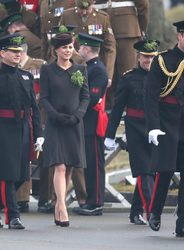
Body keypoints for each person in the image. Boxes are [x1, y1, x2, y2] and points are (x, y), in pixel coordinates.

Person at [145, 19, 184, 237]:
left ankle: (183, 223)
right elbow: (151, 97)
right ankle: (154, 212)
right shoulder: (163, 60)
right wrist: (153, 127)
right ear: (179, 36)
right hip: (167, 123)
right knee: (165, 170)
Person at [104, 39, 159, 224]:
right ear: (138, 57)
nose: (148, 61)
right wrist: (110, 135)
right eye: (145, 57)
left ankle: (135, 212)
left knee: (151, 172)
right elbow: (117, 108)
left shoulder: (162, 77)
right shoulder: (128, 79)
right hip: (135, 129)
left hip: (156, 129)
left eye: (152, 57)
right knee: (144, 171)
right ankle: (152, 213)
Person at [40, 31, 89, 227]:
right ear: (56, 50)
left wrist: (78, 115)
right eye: (64, 47)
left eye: (70, 47)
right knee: (59, 166)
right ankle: (61, 206)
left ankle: (58, 206)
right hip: (56, 124)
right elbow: (44, 97)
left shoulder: (80, 69)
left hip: (74, 123)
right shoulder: (47, 70)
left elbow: (86, 96)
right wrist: (55, 116)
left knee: (69, 166)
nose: (68, 51)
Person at [0, 33, 43, 229]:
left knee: (21, 175)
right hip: (3, 128)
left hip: (24, 128)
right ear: (2, 53)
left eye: (19, 51)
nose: (18, 54)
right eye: (13, 51)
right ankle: (13, 216)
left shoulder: (25, 76)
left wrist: (40, 134)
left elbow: (34, 108)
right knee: (8, 174)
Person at [72, 33, 108, 215]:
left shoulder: (98, 70)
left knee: (95, 164)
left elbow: (93, 97)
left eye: (80, 48)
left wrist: (76, 106)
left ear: (87, 49)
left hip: (93, 123)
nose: (78, 50)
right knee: (89, 163)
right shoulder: (90, 68)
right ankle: (91, 200)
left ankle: (96, 202)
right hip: (87, 123)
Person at [94, 0, 149, 108]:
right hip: (112, 26)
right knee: (108, 70)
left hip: (123, 27)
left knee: (126, 71)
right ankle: (111, 107)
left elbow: (143, 5)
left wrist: (141, 28)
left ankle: (129, 106)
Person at [16, 41, 46, 213]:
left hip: (38, 115)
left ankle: (40, 198)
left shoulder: (39, 65)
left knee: (33, 158)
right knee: (21, 158)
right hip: (20, 117)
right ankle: (20, 198)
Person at [59, 0, 116, 88]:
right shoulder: (67, 16)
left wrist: (108, 74)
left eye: (87, 9)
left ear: (93, 3)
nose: (84, 12)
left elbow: (110, 48)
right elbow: (58, 43)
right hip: (71, 65)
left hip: (94, 68)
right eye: (81, 9)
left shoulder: (102, 17)